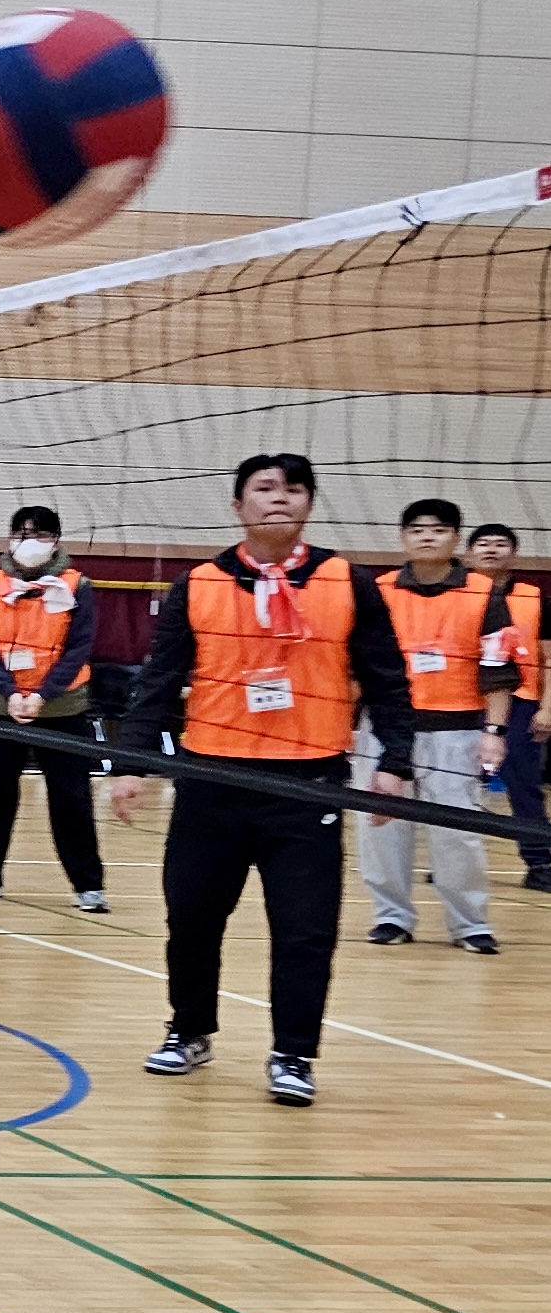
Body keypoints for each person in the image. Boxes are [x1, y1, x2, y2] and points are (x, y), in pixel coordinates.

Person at [111, 454, 418, 1109]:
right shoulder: (198, 584)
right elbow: (158, 680)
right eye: (265, 488)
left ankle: (293, 1054)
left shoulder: (347, 581)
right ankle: (188, 1030)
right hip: (209, 779)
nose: (280, 498)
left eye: (293, 489)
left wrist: (395, 762)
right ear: (238, 505)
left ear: (309, 504)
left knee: (305, 929)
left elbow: (388, 679)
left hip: (308, 786)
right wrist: (130, 763)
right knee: (192, 918)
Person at [354, 499, 513, 954]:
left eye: (439, 529)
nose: (427, 536)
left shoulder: (485, 593)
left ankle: (470, 924)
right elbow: (355, 664)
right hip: (384, 730)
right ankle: (391, 917)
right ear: (403, 538)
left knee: (458, 833)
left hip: (456, 731)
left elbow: (498, 669)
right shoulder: (378, 590)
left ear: (456, 539)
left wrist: (495, 732)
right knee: (381, 829)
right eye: (417, 529)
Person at [0, 506, 108, 912]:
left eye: (40, 534)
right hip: (2, 705)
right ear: (10, 540)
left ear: (55, 540)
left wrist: (44, 694)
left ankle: (88, 886)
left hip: (62, 707)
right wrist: (9, 692)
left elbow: (80, 646)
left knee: (71, 798)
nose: (30, 541)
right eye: (22, 534)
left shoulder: (77, 585)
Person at [465, 523, 551, 892]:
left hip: (520, 701)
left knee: (524, 783)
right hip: (464, 700)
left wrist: (547, 709)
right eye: (482, 543)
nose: (491, 549)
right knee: (456, 782)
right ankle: (454, 860)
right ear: (468, 553)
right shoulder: (455, 593)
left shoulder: (534, 598)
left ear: (514, 553)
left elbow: (549, 658)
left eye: (501, 544)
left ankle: (540, 862)